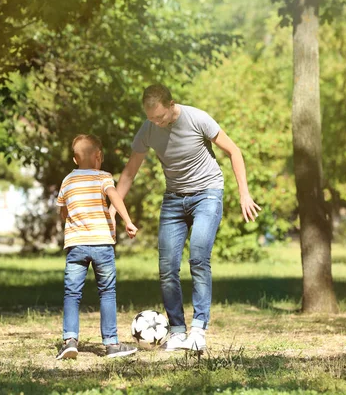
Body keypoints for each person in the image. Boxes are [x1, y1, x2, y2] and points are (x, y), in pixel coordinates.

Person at [109, 84, 260, 352]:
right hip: (174, 198)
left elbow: (234, 151)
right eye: (150, 118)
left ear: (171, 104)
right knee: (167, 268)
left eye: (160, 117)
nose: (156, 122)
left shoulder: (197, 118)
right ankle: (177, 331)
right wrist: (114, 206)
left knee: (199, 258)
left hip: (207, 194)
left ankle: (199, 330)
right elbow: (130, 171)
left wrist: (244, 194)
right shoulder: (148, 129)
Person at [55, 134, 139, 359]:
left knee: (72, 293)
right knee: (107, 292)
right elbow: (114, 197)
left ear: (75, 159)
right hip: (102, 243)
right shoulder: (103, 177)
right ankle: (111, 344)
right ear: (98, 156)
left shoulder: (67, 181)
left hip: (76, 246)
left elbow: (63, 212)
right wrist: (128, 221)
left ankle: (70, 340)